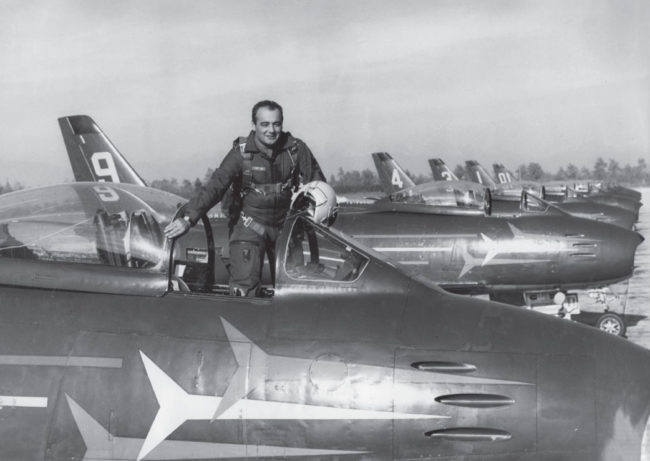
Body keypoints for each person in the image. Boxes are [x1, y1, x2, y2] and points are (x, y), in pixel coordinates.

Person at [164, 100, 325, 296]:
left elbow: (320, 188)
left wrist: (319, 215)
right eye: (264, 124)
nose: (271, 130)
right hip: (249, 227)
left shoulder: (296, 150)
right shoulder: (241, 154)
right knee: (245, 291)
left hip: (285, 227)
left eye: (276, 124)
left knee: (295, 291)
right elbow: (216, 186)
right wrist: (188, 219)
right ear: (254, 125)